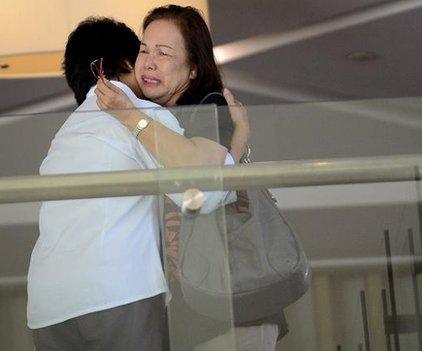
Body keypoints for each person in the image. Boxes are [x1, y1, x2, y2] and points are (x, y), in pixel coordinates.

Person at [28, 17, 241, 350]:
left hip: (47, 303)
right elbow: (202, 198)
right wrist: (236, 143)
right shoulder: (141, 113)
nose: (149, 65)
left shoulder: (64, 133)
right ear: (127, 62)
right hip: (118, 289)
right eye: (143, 52)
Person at [96, 5, 285, 351]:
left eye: (164, 54)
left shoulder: (209, 108)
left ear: (194, 68)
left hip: (233, 313)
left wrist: (130, 117)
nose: (149, 63)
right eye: (144, 50)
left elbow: (202, 189)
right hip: (197, 314)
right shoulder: (161, 119)